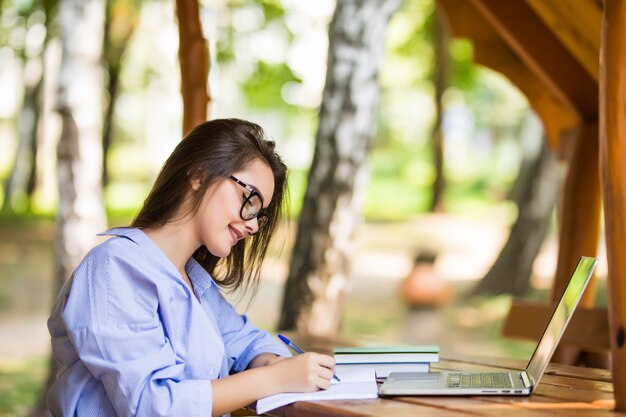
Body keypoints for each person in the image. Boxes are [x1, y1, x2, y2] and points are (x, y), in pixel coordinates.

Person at [47, 119, 337, 417]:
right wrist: (273, 378)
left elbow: (248, 340)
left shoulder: (192, 280)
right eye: (250, 200)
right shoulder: (114, 269)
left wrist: (272, 362)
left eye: (259, 216)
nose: (252, 225)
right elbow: (152, 404)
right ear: (199, 175)